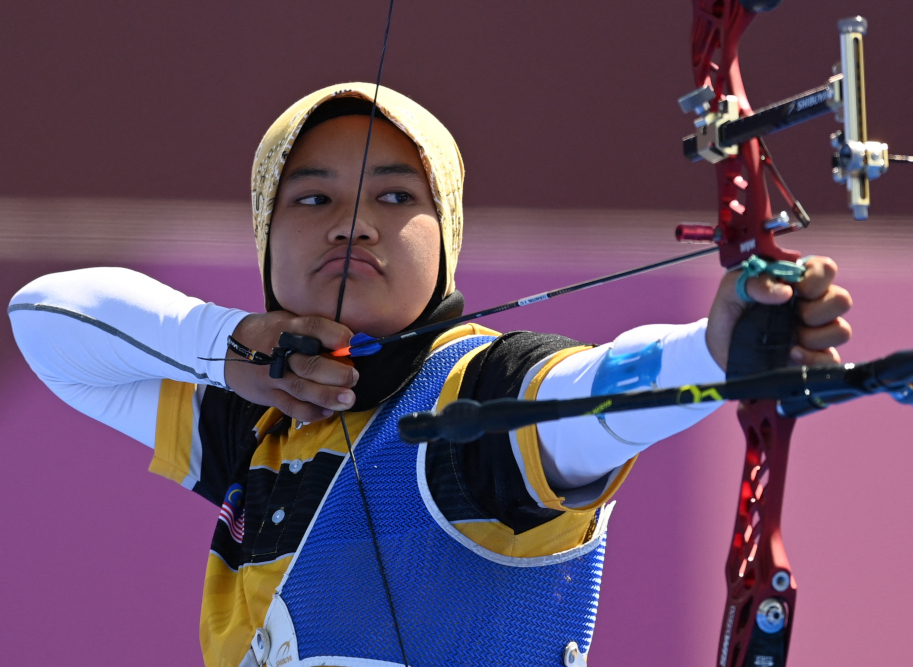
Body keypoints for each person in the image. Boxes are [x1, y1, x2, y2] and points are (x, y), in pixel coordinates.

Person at [7, 83, 851, 667]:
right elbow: (42, 318)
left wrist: (711, 351)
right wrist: (222, 341)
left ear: (445, 236)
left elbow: (582, 401)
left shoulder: (473, 398)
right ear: (266, 240)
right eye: (312, 199)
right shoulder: (256, 417)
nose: (354, 226)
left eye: (395, 197)